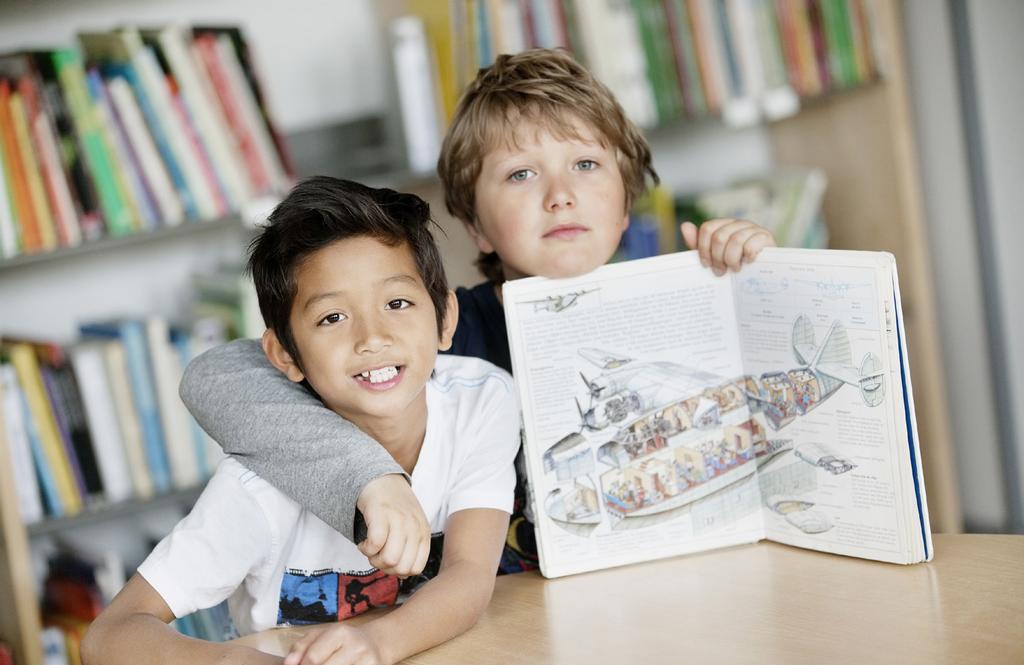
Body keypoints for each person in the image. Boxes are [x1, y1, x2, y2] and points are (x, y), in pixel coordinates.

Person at [179, 48, 776, 576]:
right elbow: (216, 376)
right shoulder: (431, 328)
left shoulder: (689, 301)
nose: (559, 194)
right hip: (502, 611)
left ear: (626, 203)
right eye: (520, 174)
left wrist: (764, 279)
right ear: (475, 227)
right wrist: (369, 477)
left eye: (586, 165)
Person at [81, 177, 519, 665]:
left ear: (444, 319)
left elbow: (469, 575)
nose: (372, 337)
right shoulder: (257, 487)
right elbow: (106, 639)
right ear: (285, 355)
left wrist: (377, 645)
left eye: (397, 304)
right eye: (332, 317)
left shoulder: (481, 403)